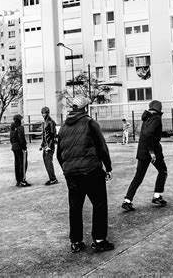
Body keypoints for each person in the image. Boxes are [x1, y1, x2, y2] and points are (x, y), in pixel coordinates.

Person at [56, 96, 114, 253]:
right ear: (86, 108)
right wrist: (108, 167)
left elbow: (59, 154)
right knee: (99, 203)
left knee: (75, 207)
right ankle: (99, 240)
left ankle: (76, 241)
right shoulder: (90, 123)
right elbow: (101, 147)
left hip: (71, 173)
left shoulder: (63, 127)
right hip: (90, 170)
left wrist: (67, 170)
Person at [122, 100, 168, 212]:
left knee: (138, 176)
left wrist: (168, 134)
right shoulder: (156, 117)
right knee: (163, 171)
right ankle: (157, 196)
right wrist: (152, 152)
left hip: (142, 151)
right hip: (152, 151)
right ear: (159, 108)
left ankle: (127, 200)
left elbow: (153, 132)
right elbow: (148, 134)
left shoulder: (147, 117)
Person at [10, 114, 30, 187]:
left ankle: (18, 180)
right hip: (20, 147)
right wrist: (24, 147)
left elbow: (11, 139)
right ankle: (22, 180)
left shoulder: (12, 128)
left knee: (17, 164)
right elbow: (21, 138)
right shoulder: (20, 128)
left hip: (14, 147)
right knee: (23, 163)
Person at [40, 106, 58, 185]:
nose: (43, 115)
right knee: (46, 162)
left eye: (45, 113)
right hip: (46, 146)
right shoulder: (45, 122)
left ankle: (53, 179)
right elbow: (44, 135)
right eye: (43, 113)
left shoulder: (51, 122)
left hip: (49, 146)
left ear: (47, 113)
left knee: (48, 162)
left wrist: (49, 147)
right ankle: (51, 178)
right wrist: (42, 145)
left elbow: (52, 135)